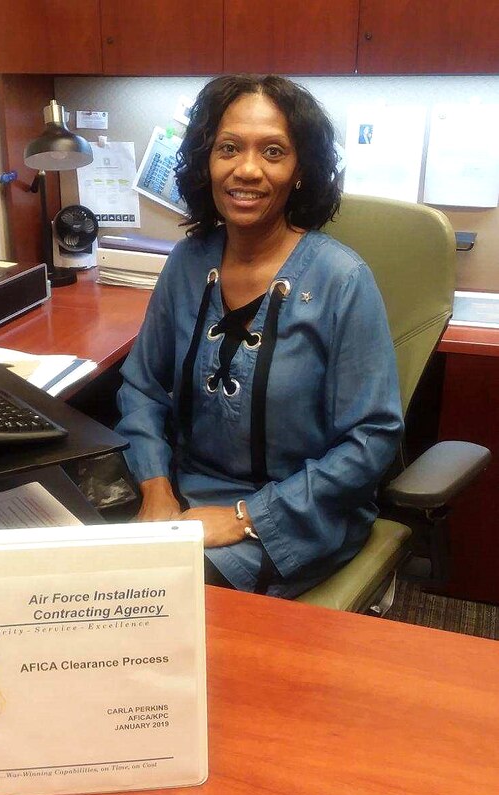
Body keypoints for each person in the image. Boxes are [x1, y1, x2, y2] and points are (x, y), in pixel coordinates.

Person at [115, 74, 403, 598]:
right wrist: (156, 490)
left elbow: (372, 440)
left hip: (301, 514)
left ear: (300, 172)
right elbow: (143, 388)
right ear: (208, 161)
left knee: (158, 597)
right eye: (229, 148)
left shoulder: (342, 280)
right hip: (186, 496)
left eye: (273, 151)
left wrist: (247, 518)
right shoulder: (188, 261)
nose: (247, 169)